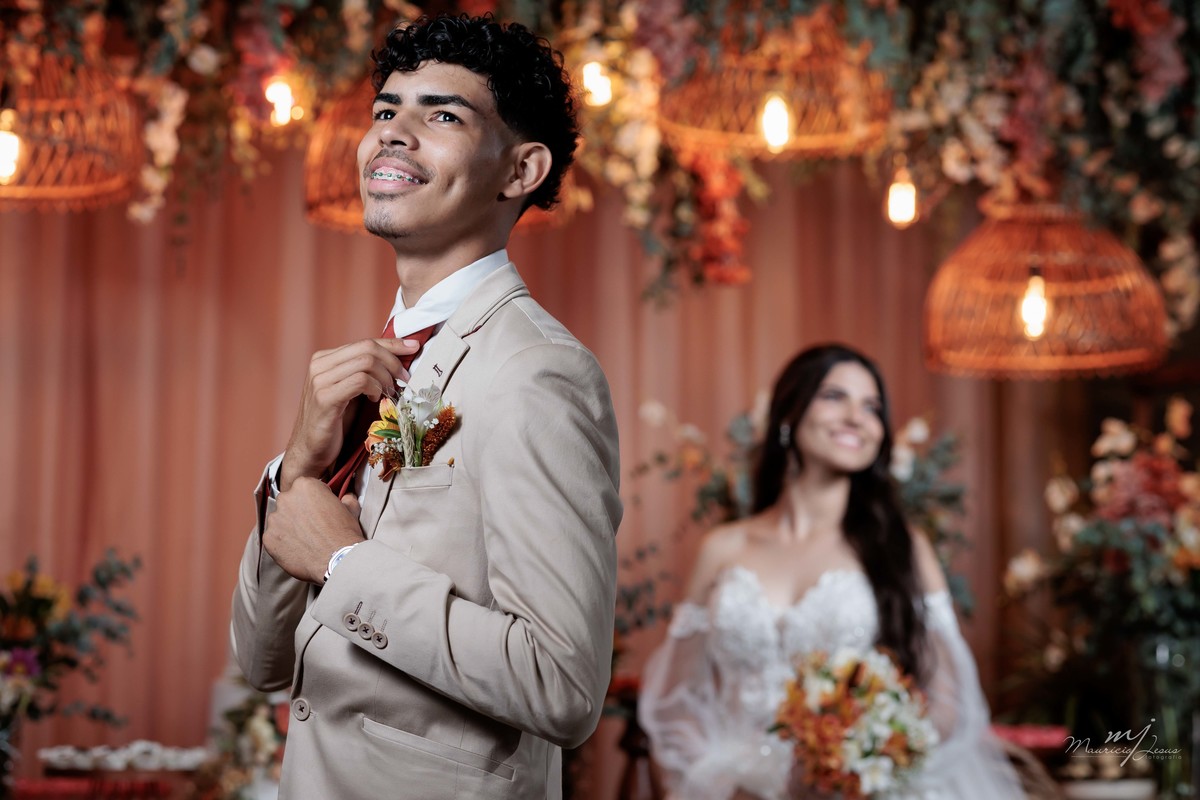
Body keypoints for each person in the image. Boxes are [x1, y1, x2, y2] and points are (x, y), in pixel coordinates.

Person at [229, 15, 622, 800]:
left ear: (521, 169)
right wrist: (298, 468)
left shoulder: (536, 371)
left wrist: (345, 563)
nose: (392, 132)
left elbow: (563, 684)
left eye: (442, 115)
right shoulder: (405, 361)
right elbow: (263, 661)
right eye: (385, 110)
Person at [638, 344, 1021, 800]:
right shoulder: (722, 548)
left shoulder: (902, 548)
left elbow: (946, 702)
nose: (857, 417)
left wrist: (861, 760)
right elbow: (676, 700)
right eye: (835, 396)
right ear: (789, 413)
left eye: (872, 407)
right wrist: (723, 784)